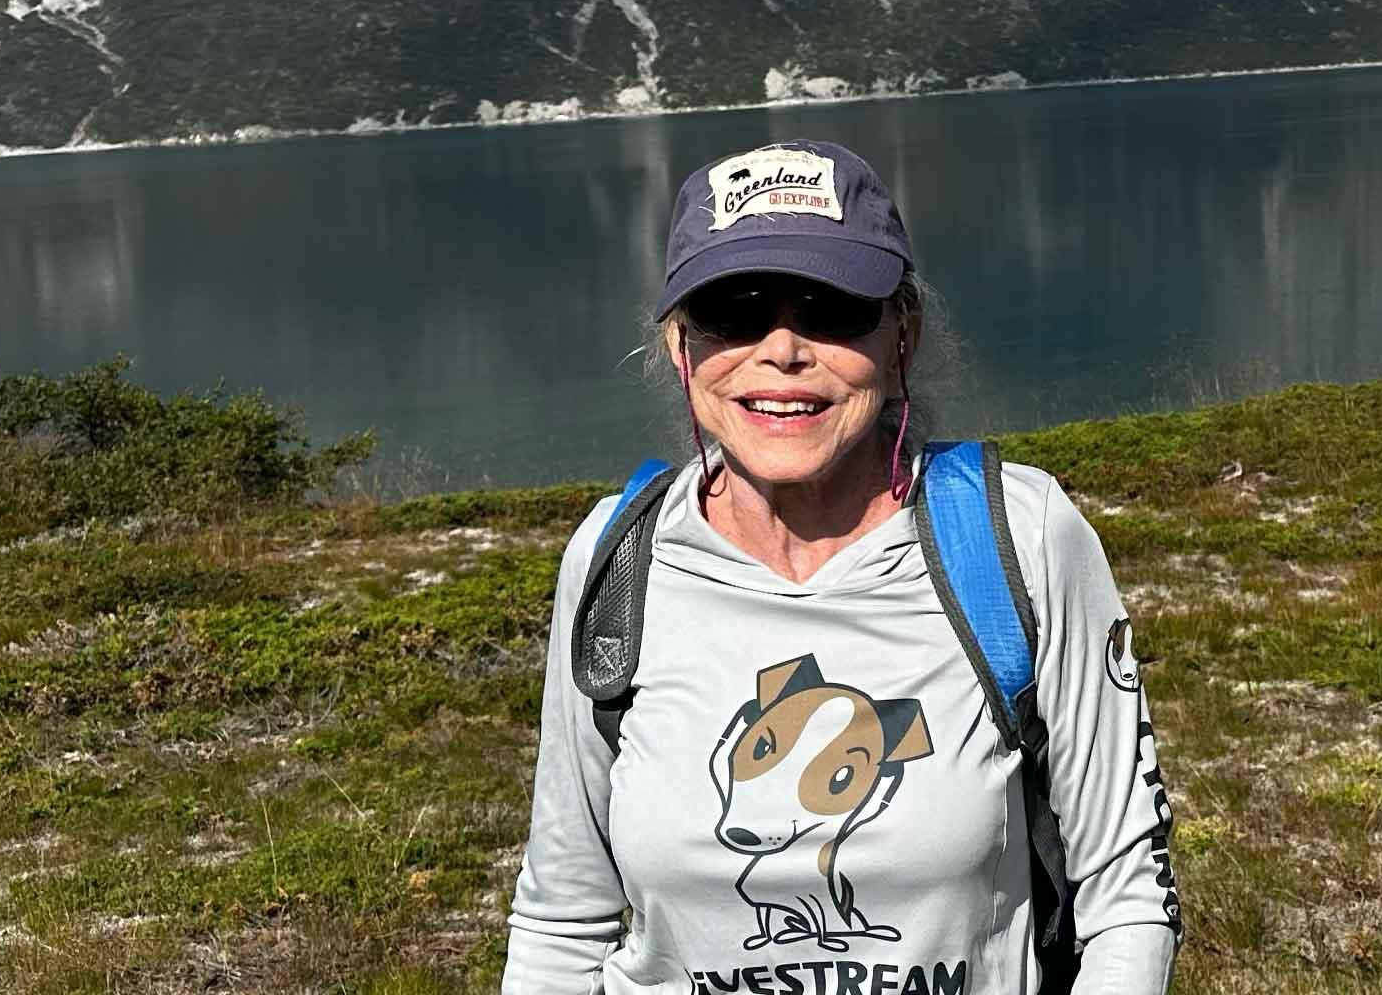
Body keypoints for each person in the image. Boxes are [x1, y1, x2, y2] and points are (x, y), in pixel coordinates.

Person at [503, 139, 1181, 995]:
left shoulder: (1021, 537)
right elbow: (564, 917)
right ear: (681, 348)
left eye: (834, 306)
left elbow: (1127, 891)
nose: (783, 348)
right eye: (734, 311)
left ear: (904, 334)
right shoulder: (617, 557)